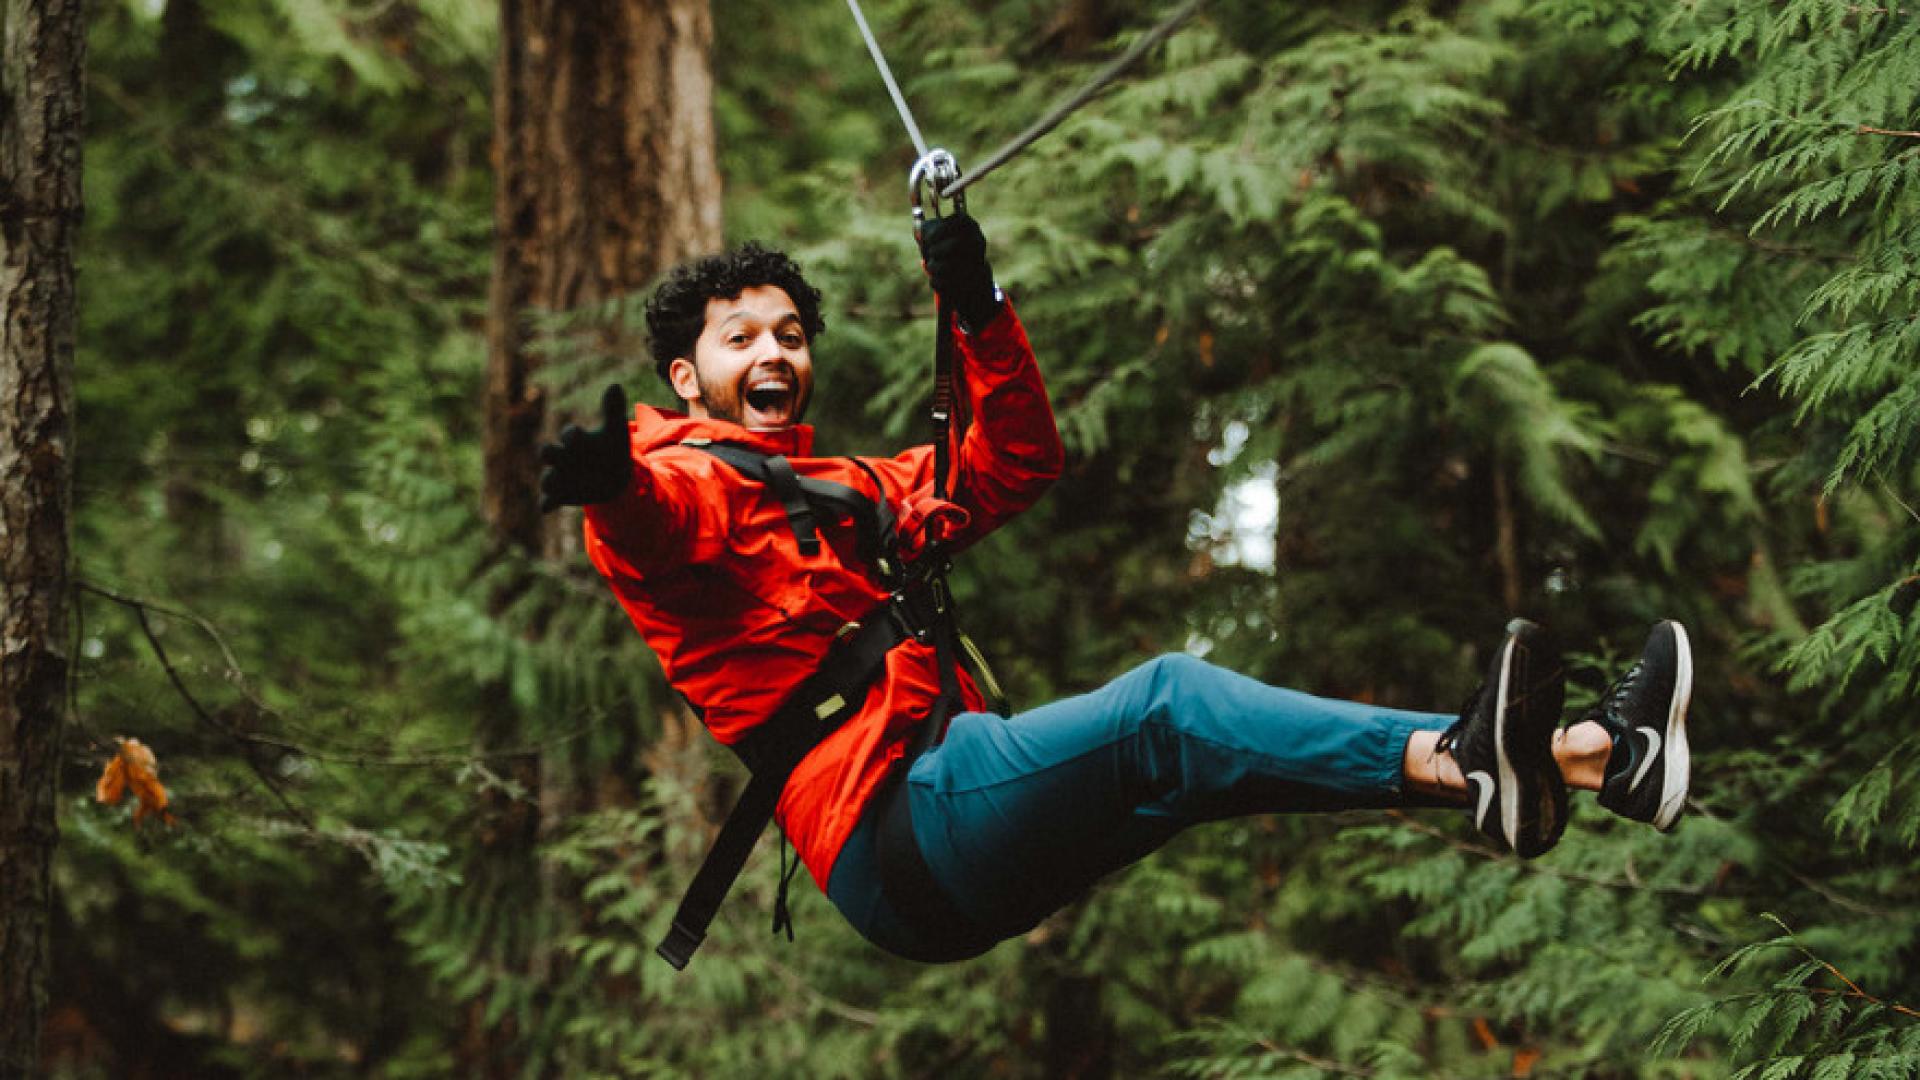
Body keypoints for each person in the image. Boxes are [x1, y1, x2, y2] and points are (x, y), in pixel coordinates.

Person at [537, 214, 1695, 966]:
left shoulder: (851, 490)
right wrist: (610, 491)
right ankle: (1486, 764)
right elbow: (656, 530)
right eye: (744, 340)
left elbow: (1012, 463)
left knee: (1199, 757)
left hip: (942, 838)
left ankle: (1594, 760)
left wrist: (979, 309)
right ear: (690, 378)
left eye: (790, 334)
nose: (777, 355)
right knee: (1169, 708)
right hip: (901, 827)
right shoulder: (676, 486)